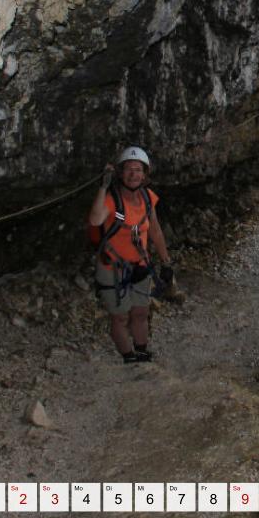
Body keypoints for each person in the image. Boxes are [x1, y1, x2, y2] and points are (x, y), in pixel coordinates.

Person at [87, 146, 172, 364]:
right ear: (120, 173)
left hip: (141, 266)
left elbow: (155, 230)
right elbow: (96, 220)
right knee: (121, 316)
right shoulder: (111, 200)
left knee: (141, 313)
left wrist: (166, 262)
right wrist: (102, 187)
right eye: (129, 170)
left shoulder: (147, 198)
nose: (133, 174)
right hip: (112, 269)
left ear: (145, 175)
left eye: (138, 170)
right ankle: (129, 358)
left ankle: (142, 352)